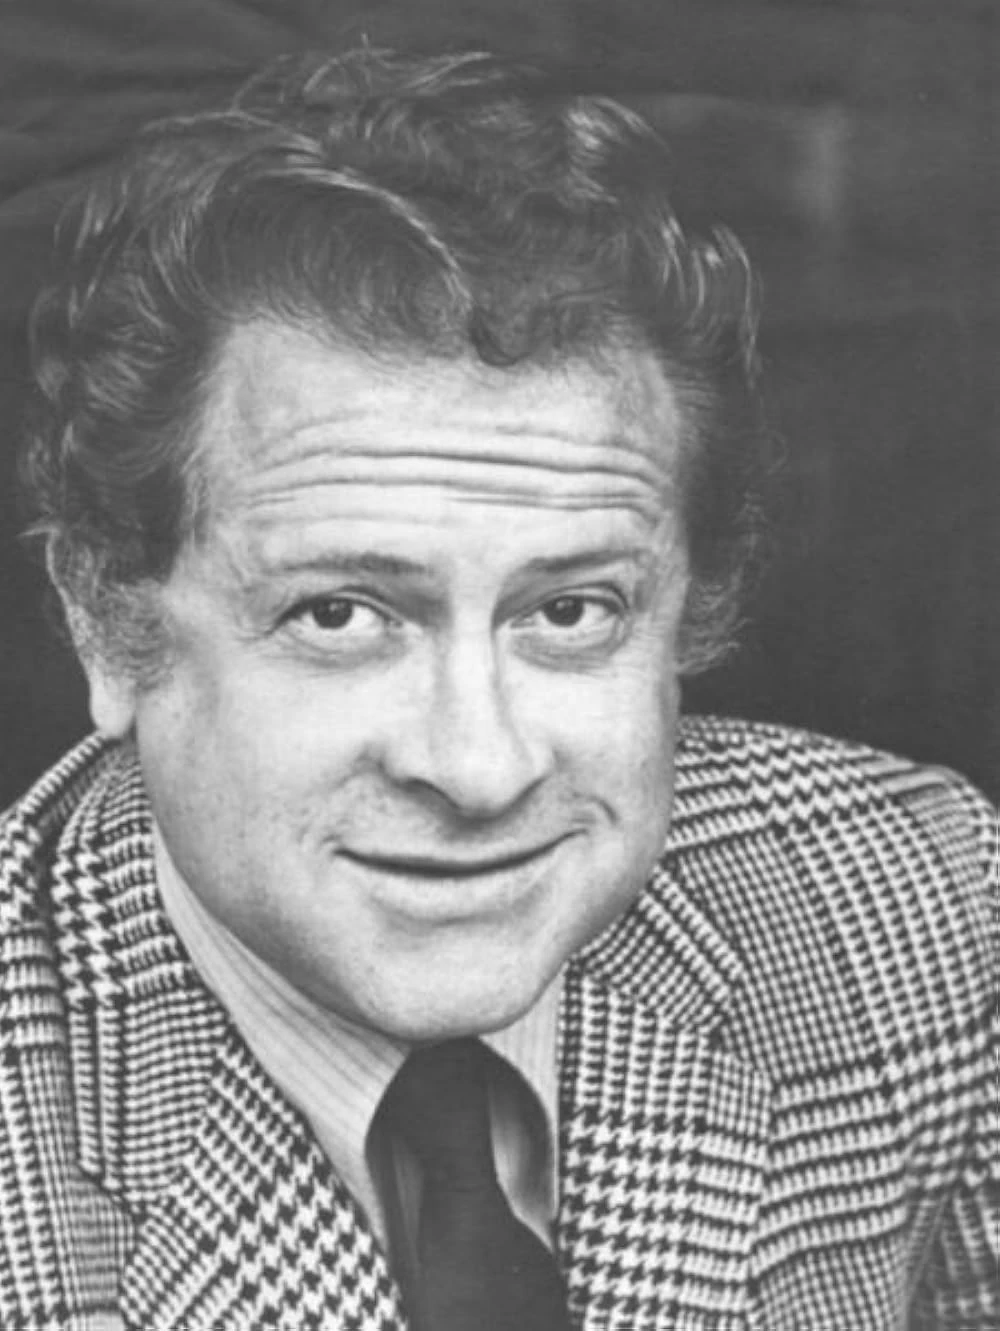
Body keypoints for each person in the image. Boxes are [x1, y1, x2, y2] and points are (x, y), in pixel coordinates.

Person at [0, 46, 995, 1331]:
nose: (480, 768)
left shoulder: (918, 901)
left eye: (568, 610)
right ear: (106, 620)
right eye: (338, 613)